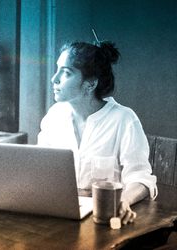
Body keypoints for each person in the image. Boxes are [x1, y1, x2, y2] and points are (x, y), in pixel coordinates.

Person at [37, 40, 157, 225]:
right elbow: (40, 169)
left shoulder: (123, 119)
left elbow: (140, 178)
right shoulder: (54, 116)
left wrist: (123, 200)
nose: (55, 79)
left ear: (90, 84)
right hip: (59, 216)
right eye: (57, 69)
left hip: (104, 219)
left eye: (66, 73)